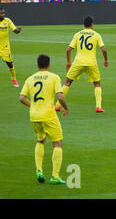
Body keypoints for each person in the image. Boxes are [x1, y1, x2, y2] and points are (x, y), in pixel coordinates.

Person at [19, 54, 69, 184]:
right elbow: (60, 96)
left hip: (34, 116)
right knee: (57, 143)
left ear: (37, 65)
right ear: (49, 65)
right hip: (48, 115)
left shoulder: (30, 79)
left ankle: (39, 170)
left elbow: (21, 98)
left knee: (40, 141)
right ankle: (55, 176)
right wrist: (65, 108)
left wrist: (33, 106)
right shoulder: (54, 77)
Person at [55, 16, 109, 113]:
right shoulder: (96, 35)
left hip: (78, 62)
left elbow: (68, 49)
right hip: (91, 63)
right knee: (97, 83)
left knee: (67, 82)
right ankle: (99, 107)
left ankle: (58, 105)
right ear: (92, 24)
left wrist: (68, 62)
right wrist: (105, 60)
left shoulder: (77, 34)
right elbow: (104, 49)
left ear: (83, 25)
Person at [0, 8, 22, 87]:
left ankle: (13, 78)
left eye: (3, 13)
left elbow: (14, 30)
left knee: (10, 64)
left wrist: (18, 30)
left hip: (5, 47)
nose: (3, 15)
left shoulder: (7, 21)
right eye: (1, 13)